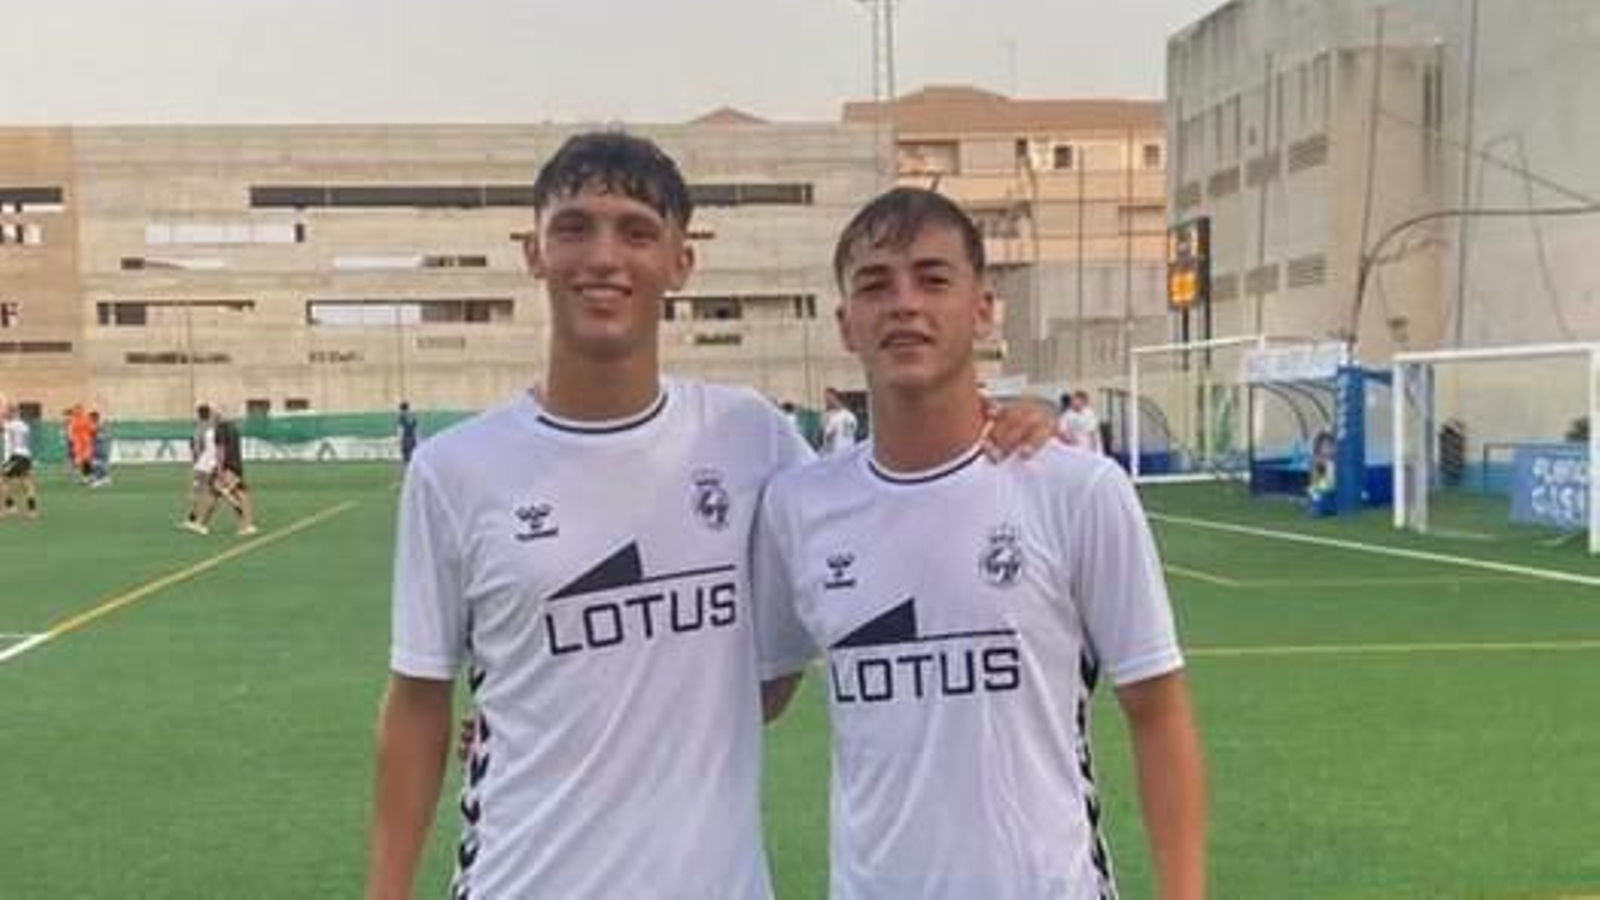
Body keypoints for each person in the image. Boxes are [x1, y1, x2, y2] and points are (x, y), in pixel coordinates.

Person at [366, 132, 1060, 900]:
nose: (604, 257)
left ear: (681, 262)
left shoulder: (748, 436)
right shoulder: (455, 471)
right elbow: (418, 704)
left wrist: (1016, 417)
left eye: (636, 230)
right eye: (574, 228)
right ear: (533, 252)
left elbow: (885, 509)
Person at [755, 188, 1207, 899]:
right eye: (876, 285)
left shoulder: (1078, 491)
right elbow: (754, 692)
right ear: (846, 324)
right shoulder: (799, 506)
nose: (904, 302)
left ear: (983, 308)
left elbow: (1158, 710)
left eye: (933, 279)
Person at [201, 411, 257, 536]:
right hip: (237, 465)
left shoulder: (219, 430)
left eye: (213, 418)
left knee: (217, 494)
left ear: (216, 419)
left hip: (227, 467)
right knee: (238, 494)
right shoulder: (234, 428)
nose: (211, 421)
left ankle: (246, 525)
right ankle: (247, 524)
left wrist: (220, 470)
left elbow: (221, 451)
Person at [181, 404, 219, 535]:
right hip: (214, 462)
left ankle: (193, 519)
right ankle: (197, 520)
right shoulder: (214, 426)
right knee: (209, 492)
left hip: (203, 463)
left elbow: (197, 447)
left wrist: (195, 462)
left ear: (198, 414)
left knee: (196, 490)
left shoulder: (199, 428)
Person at [1, 401, 40, 519]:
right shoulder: (24, 425)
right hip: (26, 456)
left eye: (7, 412)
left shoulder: (11, 424)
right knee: (27, 483)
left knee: (2, 481)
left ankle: (7, 509)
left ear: (12, 413)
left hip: (15, 456)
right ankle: (32, 511)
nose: (5, 413)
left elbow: (2, 427)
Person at [1058, 389, 1104, 454]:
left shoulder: (1089, 414)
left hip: (1088, 448)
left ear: (1083, 402)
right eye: (1073, 400)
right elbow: (1062, 431)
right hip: (1073, 448)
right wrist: (1068, 440)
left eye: (1076, 400)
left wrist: (1096, 451)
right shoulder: (1067, 414)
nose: (1073, 402)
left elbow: (1093, 434)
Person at [820, 386, 859, 456]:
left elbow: (828, 436)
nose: (826, 402)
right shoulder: (826, 416)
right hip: (840, 454)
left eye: (828, 399)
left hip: (840, 454)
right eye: (825, 399)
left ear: (835, 398)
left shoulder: (844, 416)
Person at [396, 401, 420, 466]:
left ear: (401, 409)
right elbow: (416, 429)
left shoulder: (401, 417)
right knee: (413, 456)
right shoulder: (412, 416)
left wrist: (399, 440)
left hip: (405, 438)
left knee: (406, 457)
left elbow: (401, 430)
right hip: (413, 438)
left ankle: (408, 471)